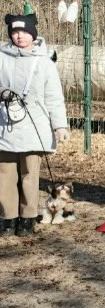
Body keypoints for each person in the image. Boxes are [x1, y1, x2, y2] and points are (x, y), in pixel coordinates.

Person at [0, 13, 69, 237]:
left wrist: (60, 126)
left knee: (30, 174)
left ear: (32, 34)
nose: (19, 36)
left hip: (34, 127)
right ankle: (7, 218)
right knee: (5, 173)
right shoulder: (1, 58)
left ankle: (27, 218)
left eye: (24, 32)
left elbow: (54, 97)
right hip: (5, 125)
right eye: (15, 32)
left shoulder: (44, 62)